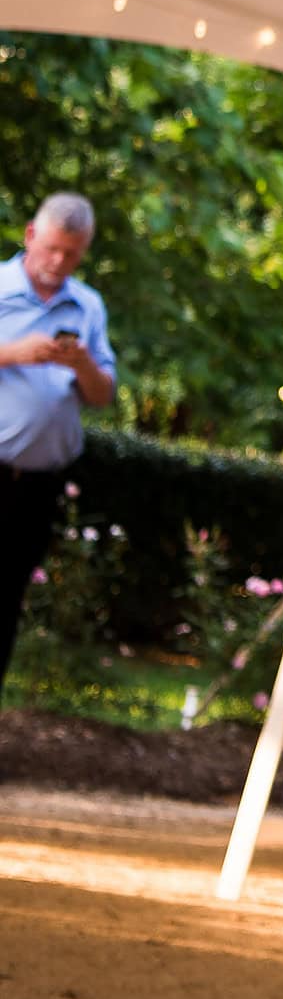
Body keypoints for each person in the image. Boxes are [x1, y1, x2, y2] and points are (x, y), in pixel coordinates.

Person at [1, 193, 117, 695]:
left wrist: (84, 366)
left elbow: (103, 396)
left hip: (36, 487)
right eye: (51, 249)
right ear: (30, 235)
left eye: (71, 254)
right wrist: (14, 353)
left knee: (7, 605)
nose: (58, 262)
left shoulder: (87, 305)